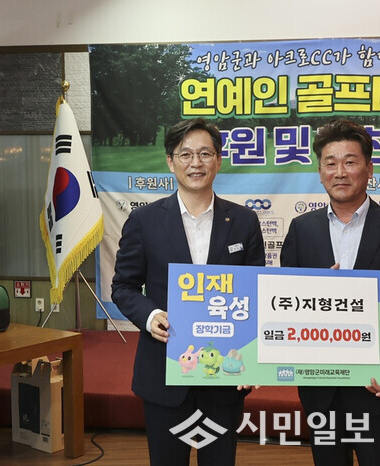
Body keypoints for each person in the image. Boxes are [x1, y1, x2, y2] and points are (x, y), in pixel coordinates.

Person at [280, 119, 380, 465]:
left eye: (350, 162)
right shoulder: (301, 230)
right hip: (321, 392)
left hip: (378, 386)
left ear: (369, 169)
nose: (340, 172)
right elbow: (284, 302)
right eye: (330, 163)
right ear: (320, 172)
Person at [111, 118, 265, 466]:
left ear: (218, 160)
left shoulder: (244, 221)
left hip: (226, 375)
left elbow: (255, 293)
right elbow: (123, 287)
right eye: (185, 154)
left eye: (205, 154)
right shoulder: (145, 221)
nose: (196, 163)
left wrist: (254, 361)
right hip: (164, 373)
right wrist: (151, 316)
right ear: (170, 161)